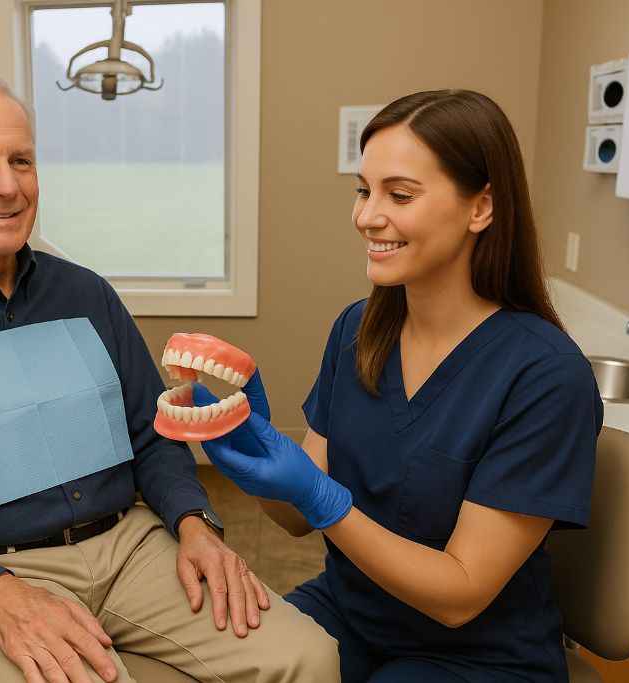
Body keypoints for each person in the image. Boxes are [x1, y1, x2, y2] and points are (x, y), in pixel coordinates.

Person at [0, 72, 337, 683]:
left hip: (131, 547)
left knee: (309, 657)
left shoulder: (86, 294)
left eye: (21, 161)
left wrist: (194, 522)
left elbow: (152, 434)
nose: (7, 185)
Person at [198, 89, 603, 682]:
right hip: (352, 613)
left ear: (481, 207)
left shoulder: (544, 376)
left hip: (478, 654)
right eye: (364, 190)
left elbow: (461, 595)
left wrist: (323, 498)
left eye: (400, 195)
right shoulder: (358, 331)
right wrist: (252, 457)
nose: (367, 216)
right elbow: (294, 518)